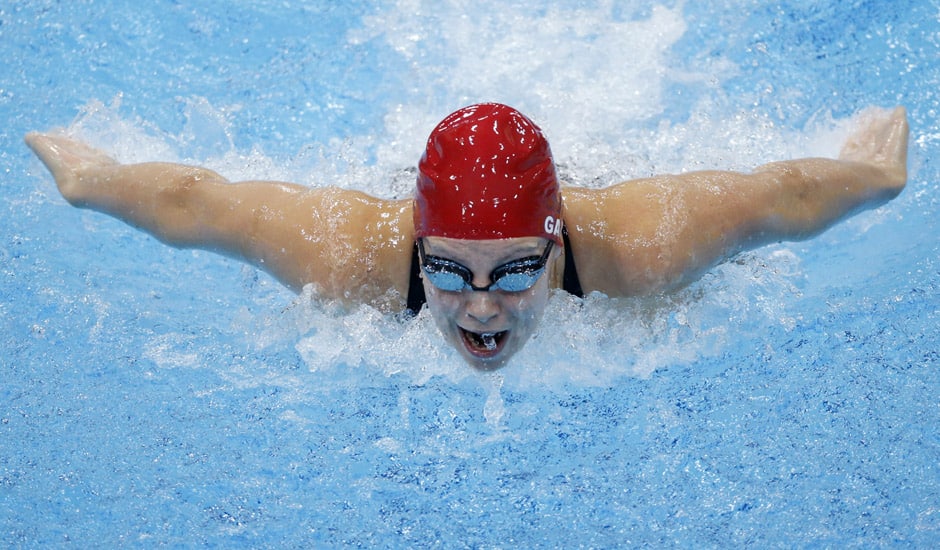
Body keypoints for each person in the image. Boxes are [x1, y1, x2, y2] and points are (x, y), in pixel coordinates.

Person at [25, 103, 909, 369]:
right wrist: (93, 181)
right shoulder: (350, 253)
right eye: (447, 270)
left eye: (516, 269)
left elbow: (778, 197)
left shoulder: (643, 245)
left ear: (558, 244)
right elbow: (197, 205)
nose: (480, 308)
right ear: (416, 243)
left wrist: (872, 176)